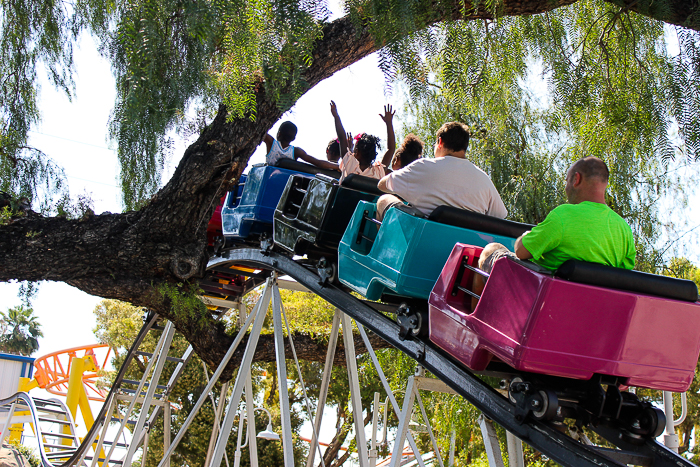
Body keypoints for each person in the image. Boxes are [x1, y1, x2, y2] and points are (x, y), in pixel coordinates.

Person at [472, 156, 635, 309]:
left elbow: (521, 252)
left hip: (542, 297)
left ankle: (474, 321)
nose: (566, 187)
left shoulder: (564, 215)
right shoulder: (624, 229)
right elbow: (623, 277)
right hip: (591, 307)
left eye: (567, 181)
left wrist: (527, 236)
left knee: (490, 250)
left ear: (576, 179)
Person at [376, 121, 507, 219]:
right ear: (464, 147)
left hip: (425, 240)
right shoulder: (483, 178)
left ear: (440, 142)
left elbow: (382, 185)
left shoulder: (423, 166)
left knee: (384, 200)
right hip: (467, 248)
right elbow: (500, 215)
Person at [330, 101, 395, 180]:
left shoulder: (350, 163)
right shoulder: (378, 172)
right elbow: (391, 149)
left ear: (357, 152)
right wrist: (389, 123)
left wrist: (336, 116)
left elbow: (342, 137)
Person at [263, 121, 337, 170]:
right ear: (293, 138)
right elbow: (318, 163)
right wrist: (338, 167)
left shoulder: (271, 143)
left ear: (279, 134)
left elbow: (261, 131)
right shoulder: (296, 151)